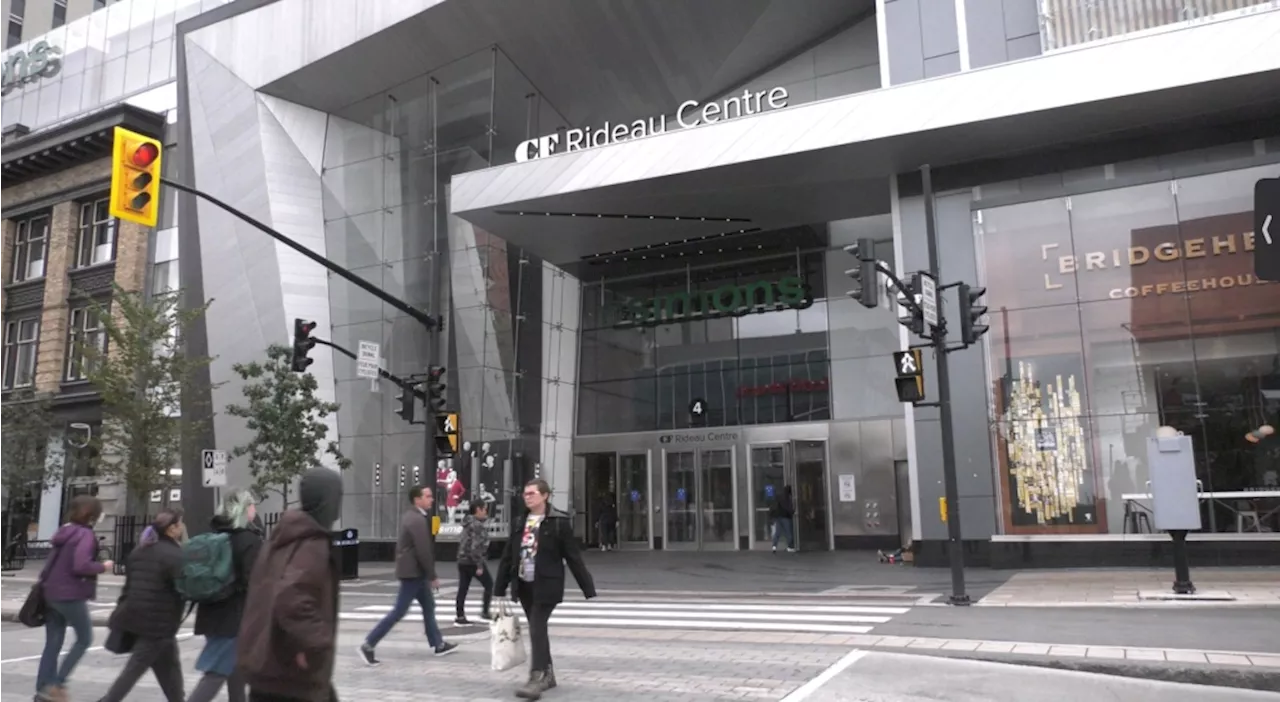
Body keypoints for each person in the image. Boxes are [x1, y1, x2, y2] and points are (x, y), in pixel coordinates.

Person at [239, 467, 343, 702]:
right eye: (338, 497)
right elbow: (292, 598)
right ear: (326, 501)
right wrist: (315, 646)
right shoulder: (311, 543)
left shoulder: (280, 538)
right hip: (291, 676)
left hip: (269, 668)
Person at [495, 479, 596, 700]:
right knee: (537, 628)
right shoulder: (520, 520)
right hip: (524, 584)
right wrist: (499, 586)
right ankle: (548, 675)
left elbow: (573, 557)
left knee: (537, 627)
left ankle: (536, 676)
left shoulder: (558, 522)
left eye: (532, 493)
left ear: (545, 496)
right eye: (525, 493)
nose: (527, 497)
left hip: (547, 584)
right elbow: (508, 555)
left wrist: (587, 587)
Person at [358, 485, 457, 664]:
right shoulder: (416, 520)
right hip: (412, 573)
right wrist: (432, 575)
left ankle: (438, 644)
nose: (431, 499)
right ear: (417, 499)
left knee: (429, 606)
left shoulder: (414, 517)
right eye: (427, 496)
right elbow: (423, 550)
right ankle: (369, 644)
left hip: (414, 571)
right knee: (399, 611)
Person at [99, 508, 188, 702]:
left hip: (138, 617)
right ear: (171, 529)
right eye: (179, 524)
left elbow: (128, 587)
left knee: (169, 667)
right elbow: (184, 587)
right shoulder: (174, 554)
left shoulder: (140, 550)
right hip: (158, 623)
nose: (181, 528)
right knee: (134, 669)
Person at [186, 488, 263, 702]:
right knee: (215, 674)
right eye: (252, 505)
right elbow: (253, 582)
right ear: (244, 508)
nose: (255, 509)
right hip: (235, 617)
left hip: (212, 612)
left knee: (235, 670)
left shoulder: (217, 534)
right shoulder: (248, 539)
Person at [35, 495, 113, 702]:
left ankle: (42, 688)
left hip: (50, 592)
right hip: (70, 594)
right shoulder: (85, 535)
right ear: (93, 515)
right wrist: (102, 567)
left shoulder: (64, 531)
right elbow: (81, 565)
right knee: (85, 638)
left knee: (53, 641)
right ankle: (57, 685)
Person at [455, 501, 493, 625]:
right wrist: (479, 565)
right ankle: (485, 612)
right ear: (478, 509)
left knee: (463, 588)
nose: (486, 512)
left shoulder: (466, 522)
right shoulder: (477, 525)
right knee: (489, 584)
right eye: (484, 509)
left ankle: (460, 616)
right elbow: (475, 547)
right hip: (472, 561)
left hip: (462, 559)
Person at [771, 485, 796, 553]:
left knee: (777, 532)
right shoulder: (787, 498)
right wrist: (793, 512)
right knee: (788, 532)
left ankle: (774, 546)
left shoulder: (779, 497)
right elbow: (789, 508)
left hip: (778, 517)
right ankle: (790, 547)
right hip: (786, 517)